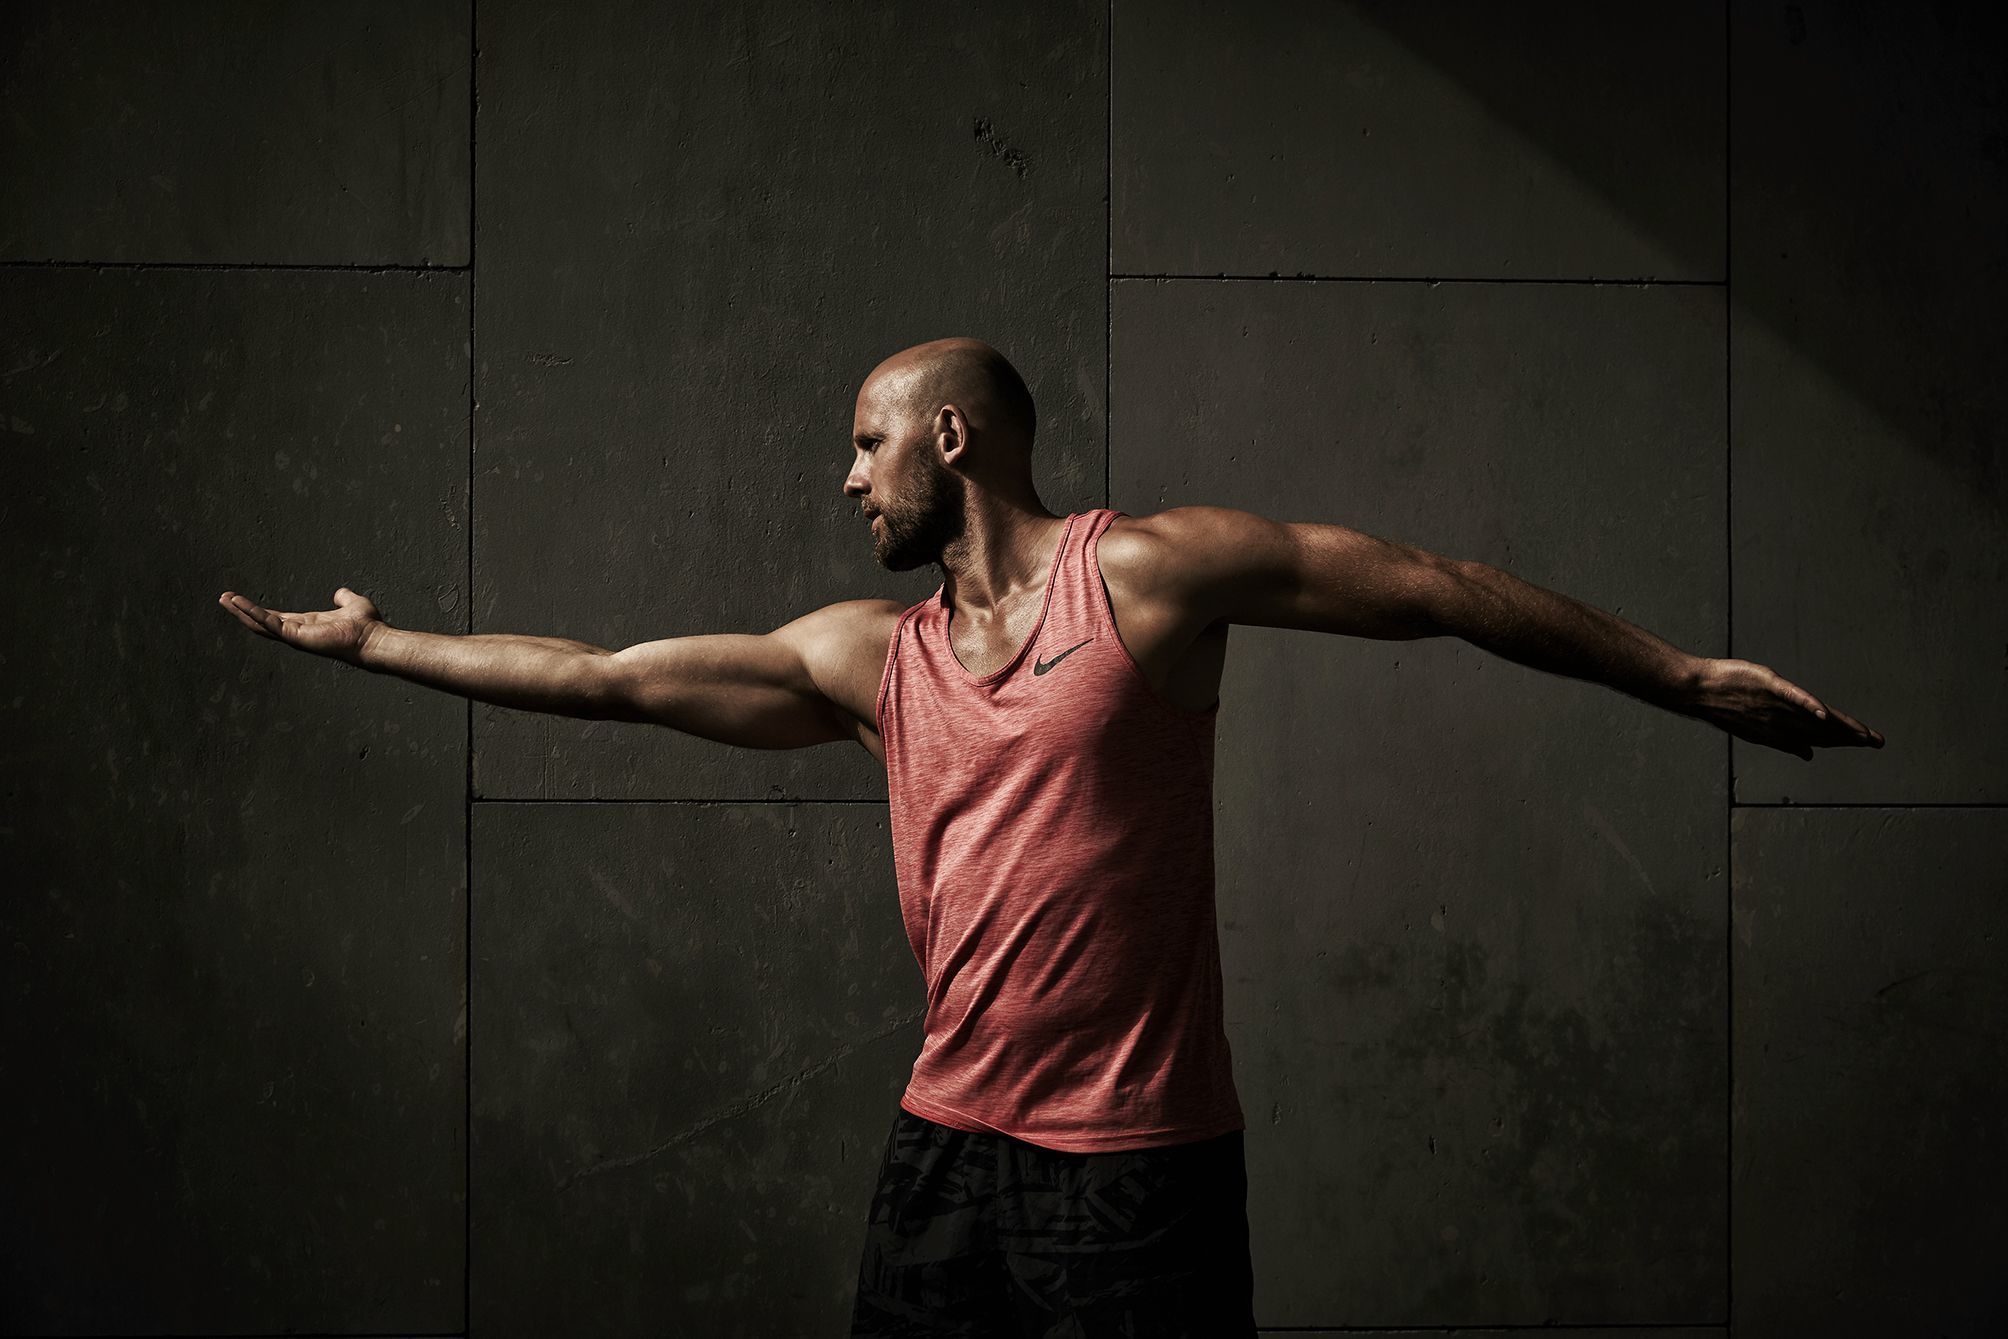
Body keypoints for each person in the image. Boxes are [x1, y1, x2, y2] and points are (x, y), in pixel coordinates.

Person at [218, 335, 1883, 1336]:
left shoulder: (1147, 579)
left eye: (866, 441)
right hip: (943, 1159)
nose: (845, 478)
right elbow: (606, 679)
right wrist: (380, 648)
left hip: (1139, 1176)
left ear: (952, 435)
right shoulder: (872, 662)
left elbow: (1436, 591)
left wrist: (1677, 676)